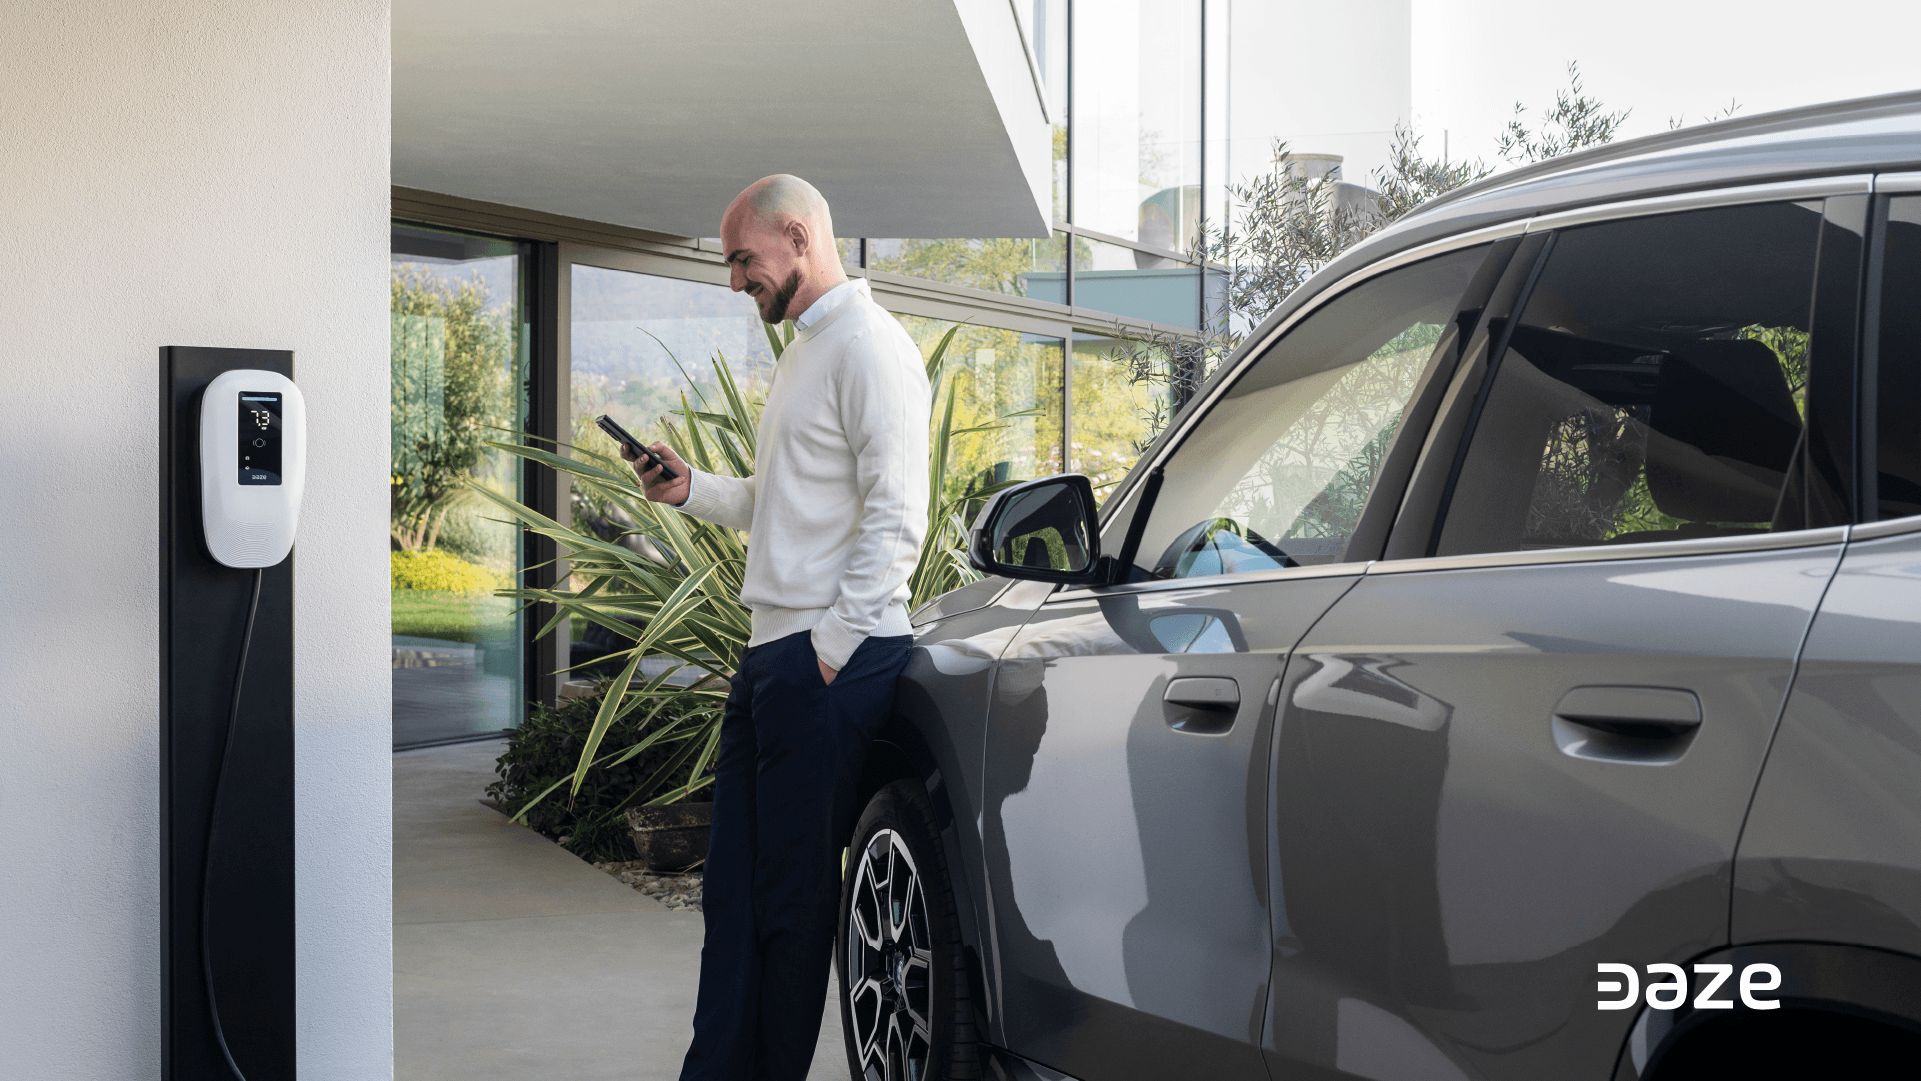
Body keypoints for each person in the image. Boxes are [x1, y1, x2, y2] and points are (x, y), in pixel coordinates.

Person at [624, 173, 930, 1081]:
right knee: (733, 892)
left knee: (791, 900)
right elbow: (784, 498)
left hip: (828, 656)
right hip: (775, 655)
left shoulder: (871, 347)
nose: (734, 280)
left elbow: (897, 515)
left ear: (798, 236)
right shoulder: (806, 351)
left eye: (741, 259)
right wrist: (693, 490)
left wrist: (830, 650)